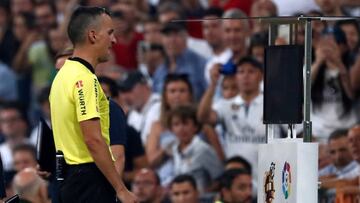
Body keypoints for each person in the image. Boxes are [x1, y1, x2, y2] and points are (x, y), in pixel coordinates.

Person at [49, 6, 137, 203]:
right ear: (93, 35)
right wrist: (120, 189)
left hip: (70, 179)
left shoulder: (62, 76)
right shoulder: (84, 79)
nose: (114, 40)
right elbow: (93, 140)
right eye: (110, 33)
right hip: (88, 180)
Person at [169, 105, 223, 193]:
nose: (181, 129)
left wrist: (201, 195)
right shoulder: (175, 149)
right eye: (176, 124)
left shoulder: (203, 149)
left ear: (195, 127)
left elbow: (220, 179)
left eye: (185, 123)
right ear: (172, 129)